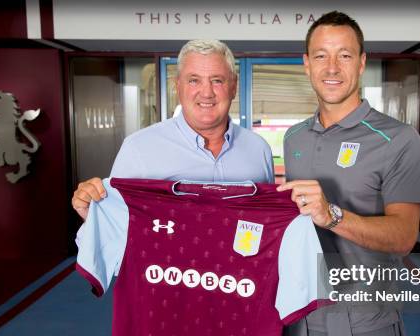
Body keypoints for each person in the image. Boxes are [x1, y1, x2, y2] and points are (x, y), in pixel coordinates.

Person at [277, 11, 420, 336]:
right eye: (320, 56)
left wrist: (333, 215)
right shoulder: (293, 138)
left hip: (368, 320)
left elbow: (403, 236)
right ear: (305, 63)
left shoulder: (397, 140)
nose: (331, 68)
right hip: (304, 323)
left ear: (362, 62)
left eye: (344, 56)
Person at [71, 39, 274, 219]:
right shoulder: (138, 148)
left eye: (217, 80)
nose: (206, 92)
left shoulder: (259, 149)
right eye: (194, 80)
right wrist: (93, 212)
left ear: (233, 87)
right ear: (178, 86)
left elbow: (270, 219)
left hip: (242, 261)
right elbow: (116, 223)